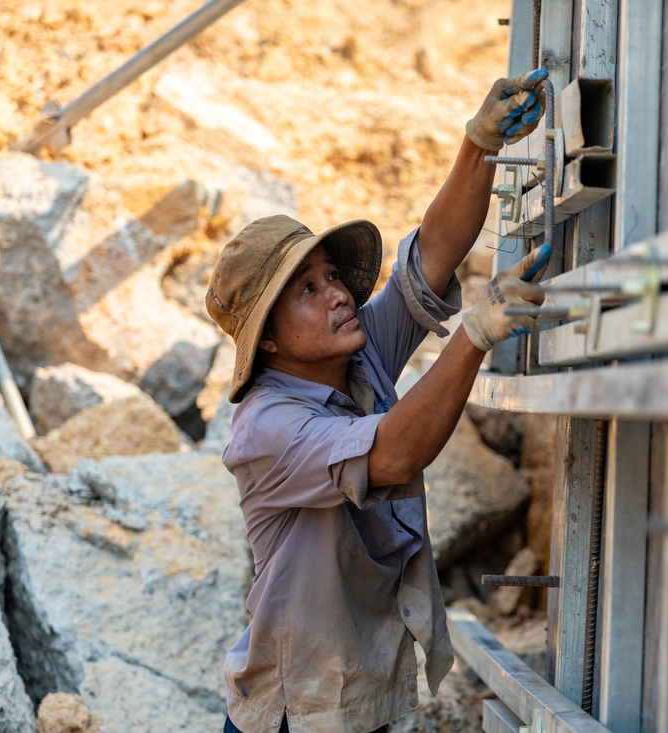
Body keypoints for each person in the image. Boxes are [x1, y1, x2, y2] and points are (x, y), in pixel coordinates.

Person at [205, 69, 551, 733]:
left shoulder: (355, 359)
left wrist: (479, 144)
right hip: (296, 715)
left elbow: (431, 261)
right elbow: (393, 454)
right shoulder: (268, 426)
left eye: (332, 275)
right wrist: (476, 333)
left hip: (359, 703)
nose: (338, 293)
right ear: (268, 340)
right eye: (307, 290)